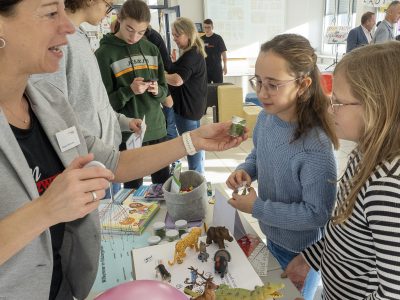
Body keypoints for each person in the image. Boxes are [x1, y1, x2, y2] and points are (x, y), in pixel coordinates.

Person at [0, 1, 247, 299]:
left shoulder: (49, 104)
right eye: (51, 13)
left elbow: (112, 162)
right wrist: (45, 211)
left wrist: (193, 140)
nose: (67, 27)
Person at [226, 34, 339, 300]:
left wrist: (257, 208)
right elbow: (258, 154)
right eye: (259, 81)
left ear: (303, 85)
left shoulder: (315, 146)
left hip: (302, 253)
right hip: (271, 234)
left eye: (273, 85)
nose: (261, 93)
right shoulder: (267, 118)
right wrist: (246, 170)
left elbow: (317, 215)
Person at [284, 41, 400, 300]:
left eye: (337, 102)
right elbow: (348, 232)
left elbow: (393, 293)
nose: (329, 109)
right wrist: (310, 257)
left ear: (376, 108)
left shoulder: (387, 188)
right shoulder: (362, 155)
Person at [31, 0, 142, 197]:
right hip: (87, 165)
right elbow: (53, 117)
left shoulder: (80, 37)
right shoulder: (61, 41)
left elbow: (94, 101)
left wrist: (123, 122)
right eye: (108, 5)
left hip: (106, 158)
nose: (108, 13)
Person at [95, 0, 170, 189]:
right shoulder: (104, 54)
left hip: (157, 129)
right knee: (131, 195)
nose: (134, 36)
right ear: (119, 18)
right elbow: (103, 105)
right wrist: (129, 91)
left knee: (165, 190)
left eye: (141, 32)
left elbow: (164, 90)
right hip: (129, 133)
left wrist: (156, 90)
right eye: (129, 29)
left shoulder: (152, 49)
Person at [165, 17, 208, 174]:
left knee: (191, 146)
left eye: (177, 35)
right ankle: (198, 176)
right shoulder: (194, 52)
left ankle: (196, 179)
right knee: (196, 144)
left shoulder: (191, 55)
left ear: (188, 34)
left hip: (187, 108)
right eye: (174, 35)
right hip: (192, 106)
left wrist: (159, 74)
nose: (174, 39)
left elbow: (177, 80)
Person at [201, 18, 227, 83]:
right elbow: (198, 54)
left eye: (209, 27)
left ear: (212, 27)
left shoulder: (218, 38)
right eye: (205, 27)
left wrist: (225, 66)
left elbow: (224, 53)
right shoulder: (201, 39)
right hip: (205, 69)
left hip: (217, 69)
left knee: (219, 88)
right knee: (206, 89)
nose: (207, 29)